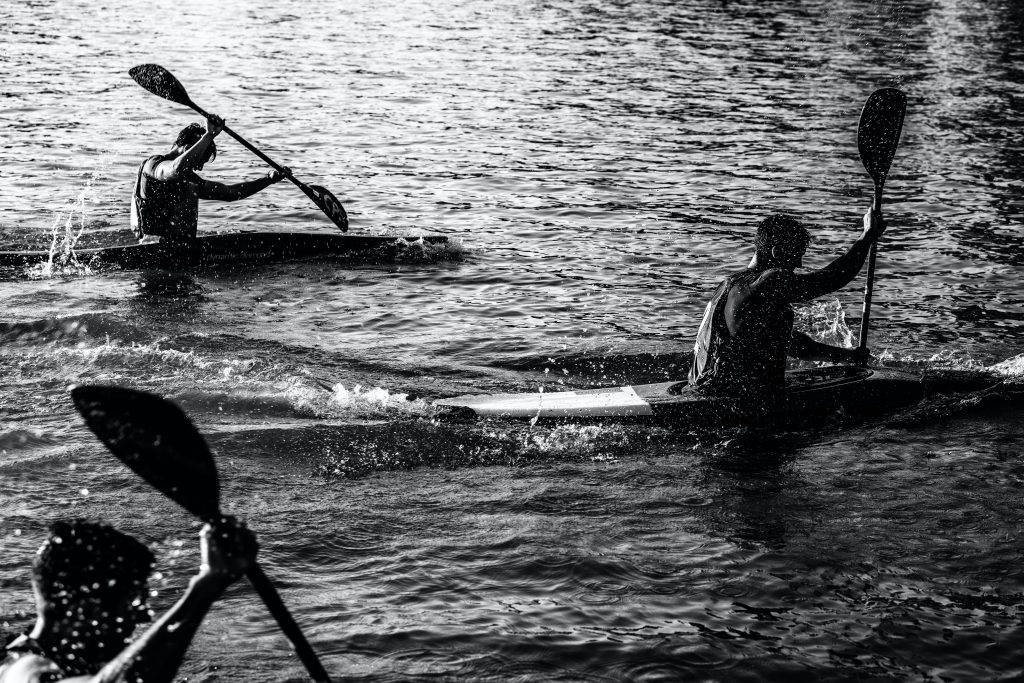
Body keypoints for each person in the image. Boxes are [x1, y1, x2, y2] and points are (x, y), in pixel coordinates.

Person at [1, 517, 257, 683]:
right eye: (132, 604)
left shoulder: (68, 656)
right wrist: (204, 588)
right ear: (85, 609)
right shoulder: (23, 668)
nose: (143, 616)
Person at [688, 209, 886, 397]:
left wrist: (846, 356)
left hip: (703, 391)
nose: (798, 264)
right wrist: (866, 238)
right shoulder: (769, 280)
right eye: (796, 255)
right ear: (777, 252)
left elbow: (789, 343)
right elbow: (831, 279)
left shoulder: (728, 284)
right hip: (737, 398)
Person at [130, 114, 291, 243]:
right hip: (152, 247)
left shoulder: (188, 179)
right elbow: (175, 169)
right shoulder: (154, 166)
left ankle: (186, 247)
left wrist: (268, 179)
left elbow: (230, 193)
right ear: (187, 149)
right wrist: (209, 136)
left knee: (191, 185)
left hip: (176, 247)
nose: (199, 168)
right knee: (190, 185)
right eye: (200, 161)